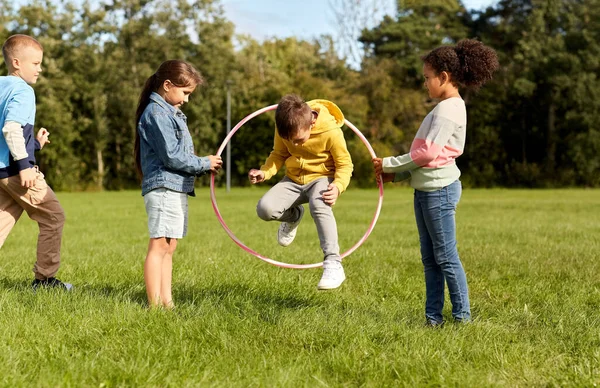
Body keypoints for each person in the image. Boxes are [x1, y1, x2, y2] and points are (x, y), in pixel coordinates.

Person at [373, 39, 499, 326]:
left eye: (427, 78)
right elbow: (431, 157)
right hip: (426, 190)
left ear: (444, 77)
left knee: (445, 256)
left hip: (439, 192)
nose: (425, 84)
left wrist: (390, 163)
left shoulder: (448, 109)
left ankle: (462, 318)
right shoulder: (445, 107)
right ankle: (433, 319)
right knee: (430, 258)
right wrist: (400, 174)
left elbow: (427, 153)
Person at [135, 60, 222, 308]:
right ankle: (154, 305)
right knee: (159, 244)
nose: (186, 100)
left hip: (174, 185)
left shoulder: (170, 112)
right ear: (167, 85)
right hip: (163, 186)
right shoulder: (156, 113)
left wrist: (202, 164)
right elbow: (171, 155)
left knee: (169, 246)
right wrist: (203, 163)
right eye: (185, 93)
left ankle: (167, 301)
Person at [248, 94, 353, 290]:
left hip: (322, 178)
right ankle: (293, 216)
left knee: (319, 204)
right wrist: (264, 172)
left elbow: (345, 164)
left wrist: (338, 186)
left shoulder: (331, 132)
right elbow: (279, 154)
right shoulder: (285, 128)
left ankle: (333, 262)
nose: (294, 145)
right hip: (294, 179)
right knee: (265, 209)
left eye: (298, 140)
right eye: (289, 140)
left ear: (311, 124)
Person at [0, 34, 72, 291]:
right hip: (16, 171)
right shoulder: (23, 90)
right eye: (36, 63)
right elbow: (10, 129)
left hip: (1, 171)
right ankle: (45, 281)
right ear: (17, 62)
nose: (40, 69)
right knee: (53, 217)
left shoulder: (1, 86)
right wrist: (25, 165)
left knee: (2, 221)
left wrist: (36, 145)